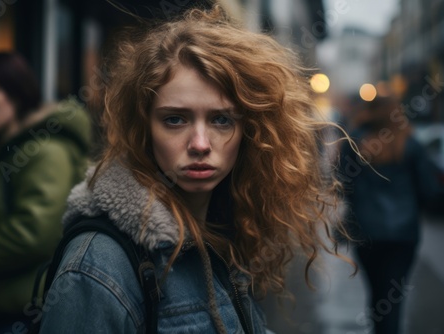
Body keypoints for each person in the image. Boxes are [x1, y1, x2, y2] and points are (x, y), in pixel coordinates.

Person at [39, 6, 349, 333]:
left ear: (250, 131)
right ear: (144, 129)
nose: (200, 143)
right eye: (175, 119)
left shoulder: (226, 231)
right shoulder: (98, 266)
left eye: (221, 120)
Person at [0, 52, 91, 331]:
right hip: (6, 307)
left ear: (16, 92)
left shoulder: (45, 151)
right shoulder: (9, 151)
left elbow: (33, 235)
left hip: (26, 313)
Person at [338, 96, 439, 334]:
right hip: (403, 236)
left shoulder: (354, 143)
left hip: (366, 232)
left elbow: (343, 184)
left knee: (376, 292)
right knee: (393, 297)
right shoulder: (411, 144)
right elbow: (428, 190)